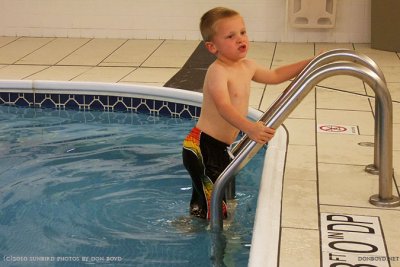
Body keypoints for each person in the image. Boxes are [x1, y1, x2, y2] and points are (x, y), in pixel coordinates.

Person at [182, 7, 313, 219]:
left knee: (205, 203)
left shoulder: (247, 66)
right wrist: (250, 128)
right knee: (214, 208)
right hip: (202, 147)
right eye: (230, 36)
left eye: (243, 32)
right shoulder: (217, 71)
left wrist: (312, 61)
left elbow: (276, 75)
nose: (240, 39)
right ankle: (212, 240)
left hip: (217, 148)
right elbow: (224, 107)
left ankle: (189, 227)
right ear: (212, 47)